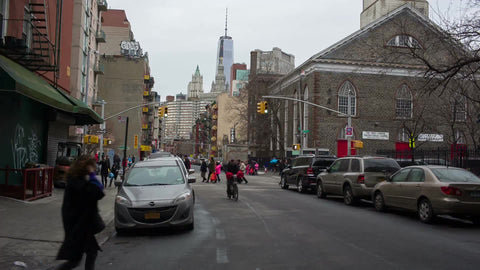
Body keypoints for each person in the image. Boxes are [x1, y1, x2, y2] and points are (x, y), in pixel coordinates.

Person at [55, 155, 105, 270]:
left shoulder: (79, 180)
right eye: (92, 166)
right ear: (86, 167)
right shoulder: (77, 182)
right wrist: (92, 174)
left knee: (88, 254)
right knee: (76, 259)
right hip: (79, 226)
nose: (94, 168)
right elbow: (98, 191)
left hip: (81, 225)